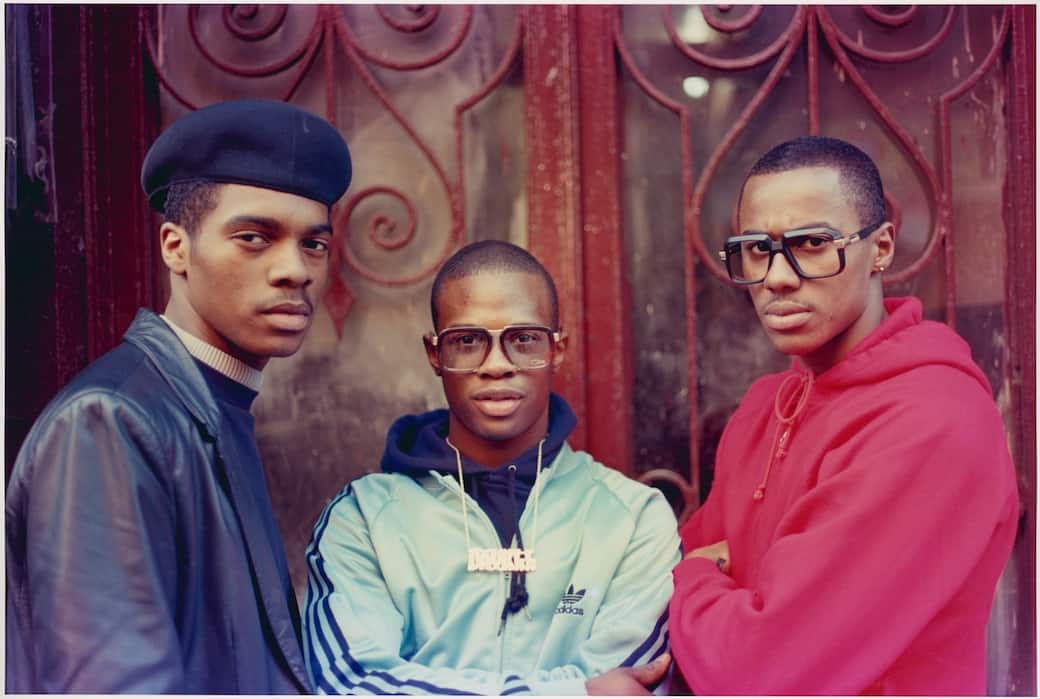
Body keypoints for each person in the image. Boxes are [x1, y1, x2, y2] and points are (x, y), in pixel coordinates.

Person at [5, 98, 352, 693]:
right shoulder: (109, 422)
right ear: (175, 247)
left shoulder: (217, 404)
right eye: (254, 237)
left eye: (313, 244)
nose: (295, 269)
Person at [669, 136, 1019, 694]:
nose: (777, 277)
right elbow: (675, 570)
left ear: (881, 248)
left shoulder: (933, 420)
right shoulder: (765, 405)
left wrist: (697, 575)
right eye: (756, 248)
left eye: (812, 243)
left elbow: (761, 672)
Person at [303, 240, 680, 695]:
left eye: (523, 340)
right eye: (467, 341)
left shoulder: (634, 520)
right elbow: (354, 683)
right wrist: (573, 692)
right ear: (435, 354)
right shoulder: (362, 520)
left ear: (557, 349)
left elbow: (630, 687)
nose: (497, 365)